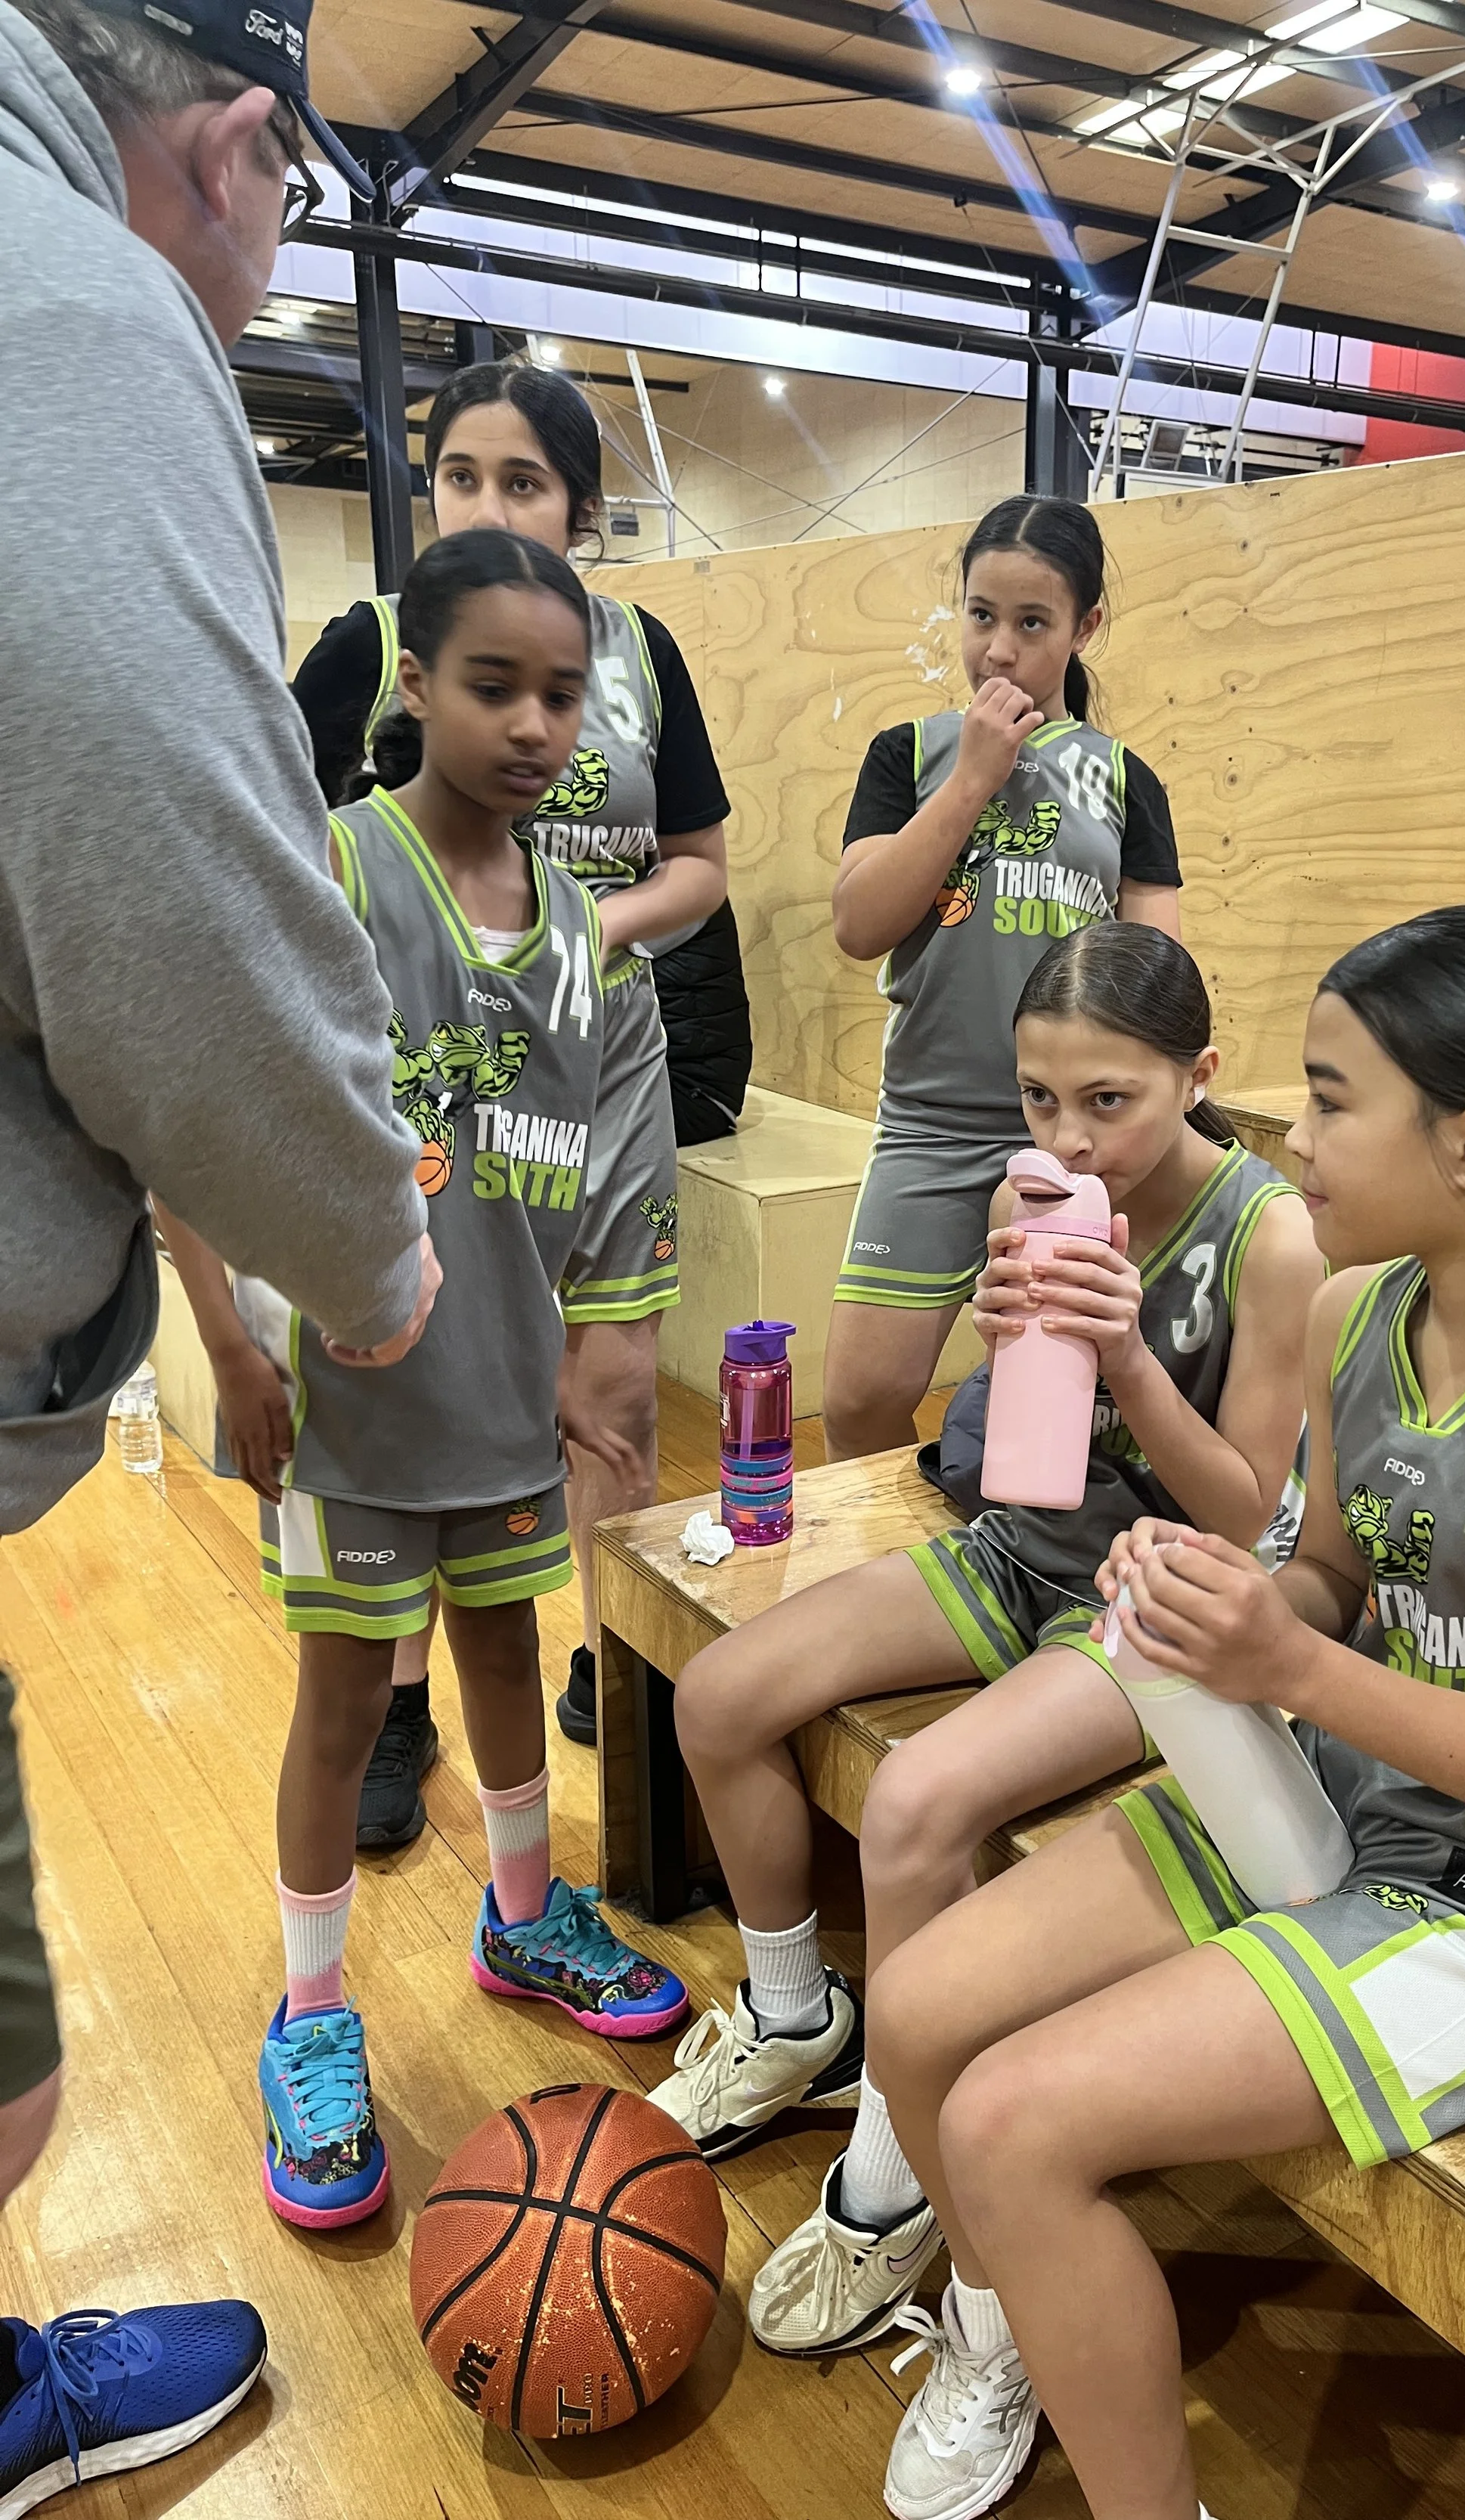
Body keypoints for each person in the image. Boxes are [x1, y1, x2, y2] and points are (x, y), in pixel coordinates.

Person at [860, 902, 1465, 2520]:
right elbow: (1325, 1578)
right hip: (1316, 1795)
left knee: (1018, 2123)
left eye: (1323, 1098)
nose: (1286, 1139)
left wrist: (1290, 1662)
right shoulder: (1354, 1313)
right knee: (918, 2012)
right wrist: (1220, 1607)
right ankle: (1008, 2332)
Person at [0, 0, 437, 2496]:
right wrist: (331, 1272)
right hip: (327, 1334)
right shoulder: (72, 301)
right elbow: (172, 933)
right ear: (246, 148)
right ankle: (308, 1999)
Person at [649, 925, 1323, 2366]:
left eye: (1110, 1099)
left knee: (916, 1799)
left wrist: (1128, 1354)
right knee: (719, 1692)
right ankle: (795, 2015)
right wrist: (1001, 1319)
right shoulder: (1045, 1190)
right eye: (1038, 1097)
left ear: (1198, 1075)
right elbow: (1014, 1441)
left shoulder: (1272, 1233)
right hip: (1026, 1549)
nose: (1070, 1132)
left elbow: (1248, 1506)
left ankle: (897, 2179)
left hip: (1154, 1605)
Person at [161, 531, 693, 2227]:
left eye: (561, 693)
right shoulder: (335, 865)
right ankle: (311, 2009)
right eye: (493, 684)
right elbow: (196, 1103)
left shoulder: (588, 944)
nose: (534, 723)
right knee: (339, 1700)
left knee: (504, 1645)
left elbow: (615, 1178)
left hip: (499, 1401)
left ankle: (520, 1910)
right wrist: (234, 1341)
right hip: (343, 1406)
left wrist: (603, 1355)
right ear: (411, 684)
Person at [292, 358, 748, 1826]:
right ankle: (394, 1705)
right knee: (414, 1376)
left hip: (596, 1050)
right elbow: (281, 864)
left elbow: (699, 868)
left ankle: (602, 1657)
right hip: (417, 1078)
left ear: (580, 508)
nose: (488, 504)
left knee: (609, 1385)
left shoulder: (641, 650)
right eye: (462, 477)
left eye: (524, 480)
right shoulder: (371, 644)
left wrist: (561, 944)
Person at [825, 494, 1185, 1463]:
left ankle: (1008, 1585)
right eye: (982, 615)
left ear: (1084, 629)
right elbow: (860, 925)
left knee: (1051, 1407)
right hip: (932, 1124)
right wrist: (972, 778)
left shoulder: (1122, 779)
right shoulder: (908, 754)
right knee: (860, 1398)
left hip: (1080, 1143)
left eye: (1033, 624)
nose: (999, 650)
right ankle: (895, 1590)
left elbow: (1159, 981)